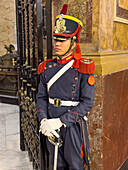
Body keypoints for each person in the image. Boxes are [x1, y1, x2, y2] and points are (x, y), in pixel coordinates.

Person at [37, 4, 95, 170]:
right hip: (50, 124)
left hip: (71, 126)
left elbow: (87, 103)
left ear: (73, 42)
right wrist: (44, 121)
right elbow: (41, 96)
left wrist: (60, 121)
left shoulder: (82, 68)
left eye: (63, 40)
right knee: (56, 165)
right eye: (56, 39)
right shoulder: (46, 67)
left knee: (75, 165)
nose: (57, 43)